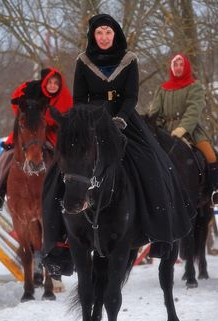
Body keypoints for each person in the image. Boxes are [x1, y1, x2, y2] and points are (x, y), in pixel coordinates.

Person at [42, 14, 196, 278]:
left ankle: (161, 231)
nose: (103, 37)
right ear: (93, 36)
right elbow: (79, 97)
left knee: (154, 161)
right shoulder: (83, 61)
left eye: (108, 33)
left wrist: (121, 118)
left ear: (115, 35)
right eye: (99, 33)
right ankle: (58, 246)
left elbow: (132, 95)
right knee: (58, 172)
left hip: (124, 119)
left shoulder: (129, 59)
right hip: (90, 119)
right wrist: (90, 120)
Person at [0, 67, 73, 210]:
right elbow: (17, 105)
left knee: (66, 157)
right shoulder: (32, 90)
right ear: (44, 83)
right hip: (31, 130)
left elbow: (67, 116)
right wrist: (27, 119)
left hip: (54, 131)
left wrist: (50, 123)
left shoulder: (64, 96)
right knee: (10, 155)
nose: (53, 86)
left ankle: (69, 192)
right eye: (50, 82)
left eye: (56, 83)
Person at [149, 53, 218, 204]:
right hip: (164, 132)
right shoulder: (162, 89)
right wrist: (155, 126)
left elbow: (194, 110)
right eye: (175, 65)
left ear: (186, 67)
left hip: (191, 132)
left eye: (181, 65)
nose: (178, 68)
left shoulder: (195, 86)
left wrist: (182, 128)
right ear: (171, 67)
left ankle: (215, 190)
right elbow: (155, 112)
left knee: (211, 155)